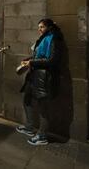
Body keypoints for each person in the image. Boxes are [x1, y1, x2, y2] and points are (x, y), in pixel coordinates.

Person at [16, 18, 63, 146]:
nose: (39, 29)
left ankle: (42, 136)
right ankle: (30, 127)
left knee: (43, 108)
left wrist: (31, 62)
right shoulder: (43, 38)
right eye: (39, 27)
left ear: (49, 27)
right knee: (26, 98)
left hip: (45, 78)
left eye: (42, 27)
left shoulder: (54, 39)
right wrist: (28, 60)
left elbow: (51, 60)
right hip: (35, 75)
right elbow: (38, 55)